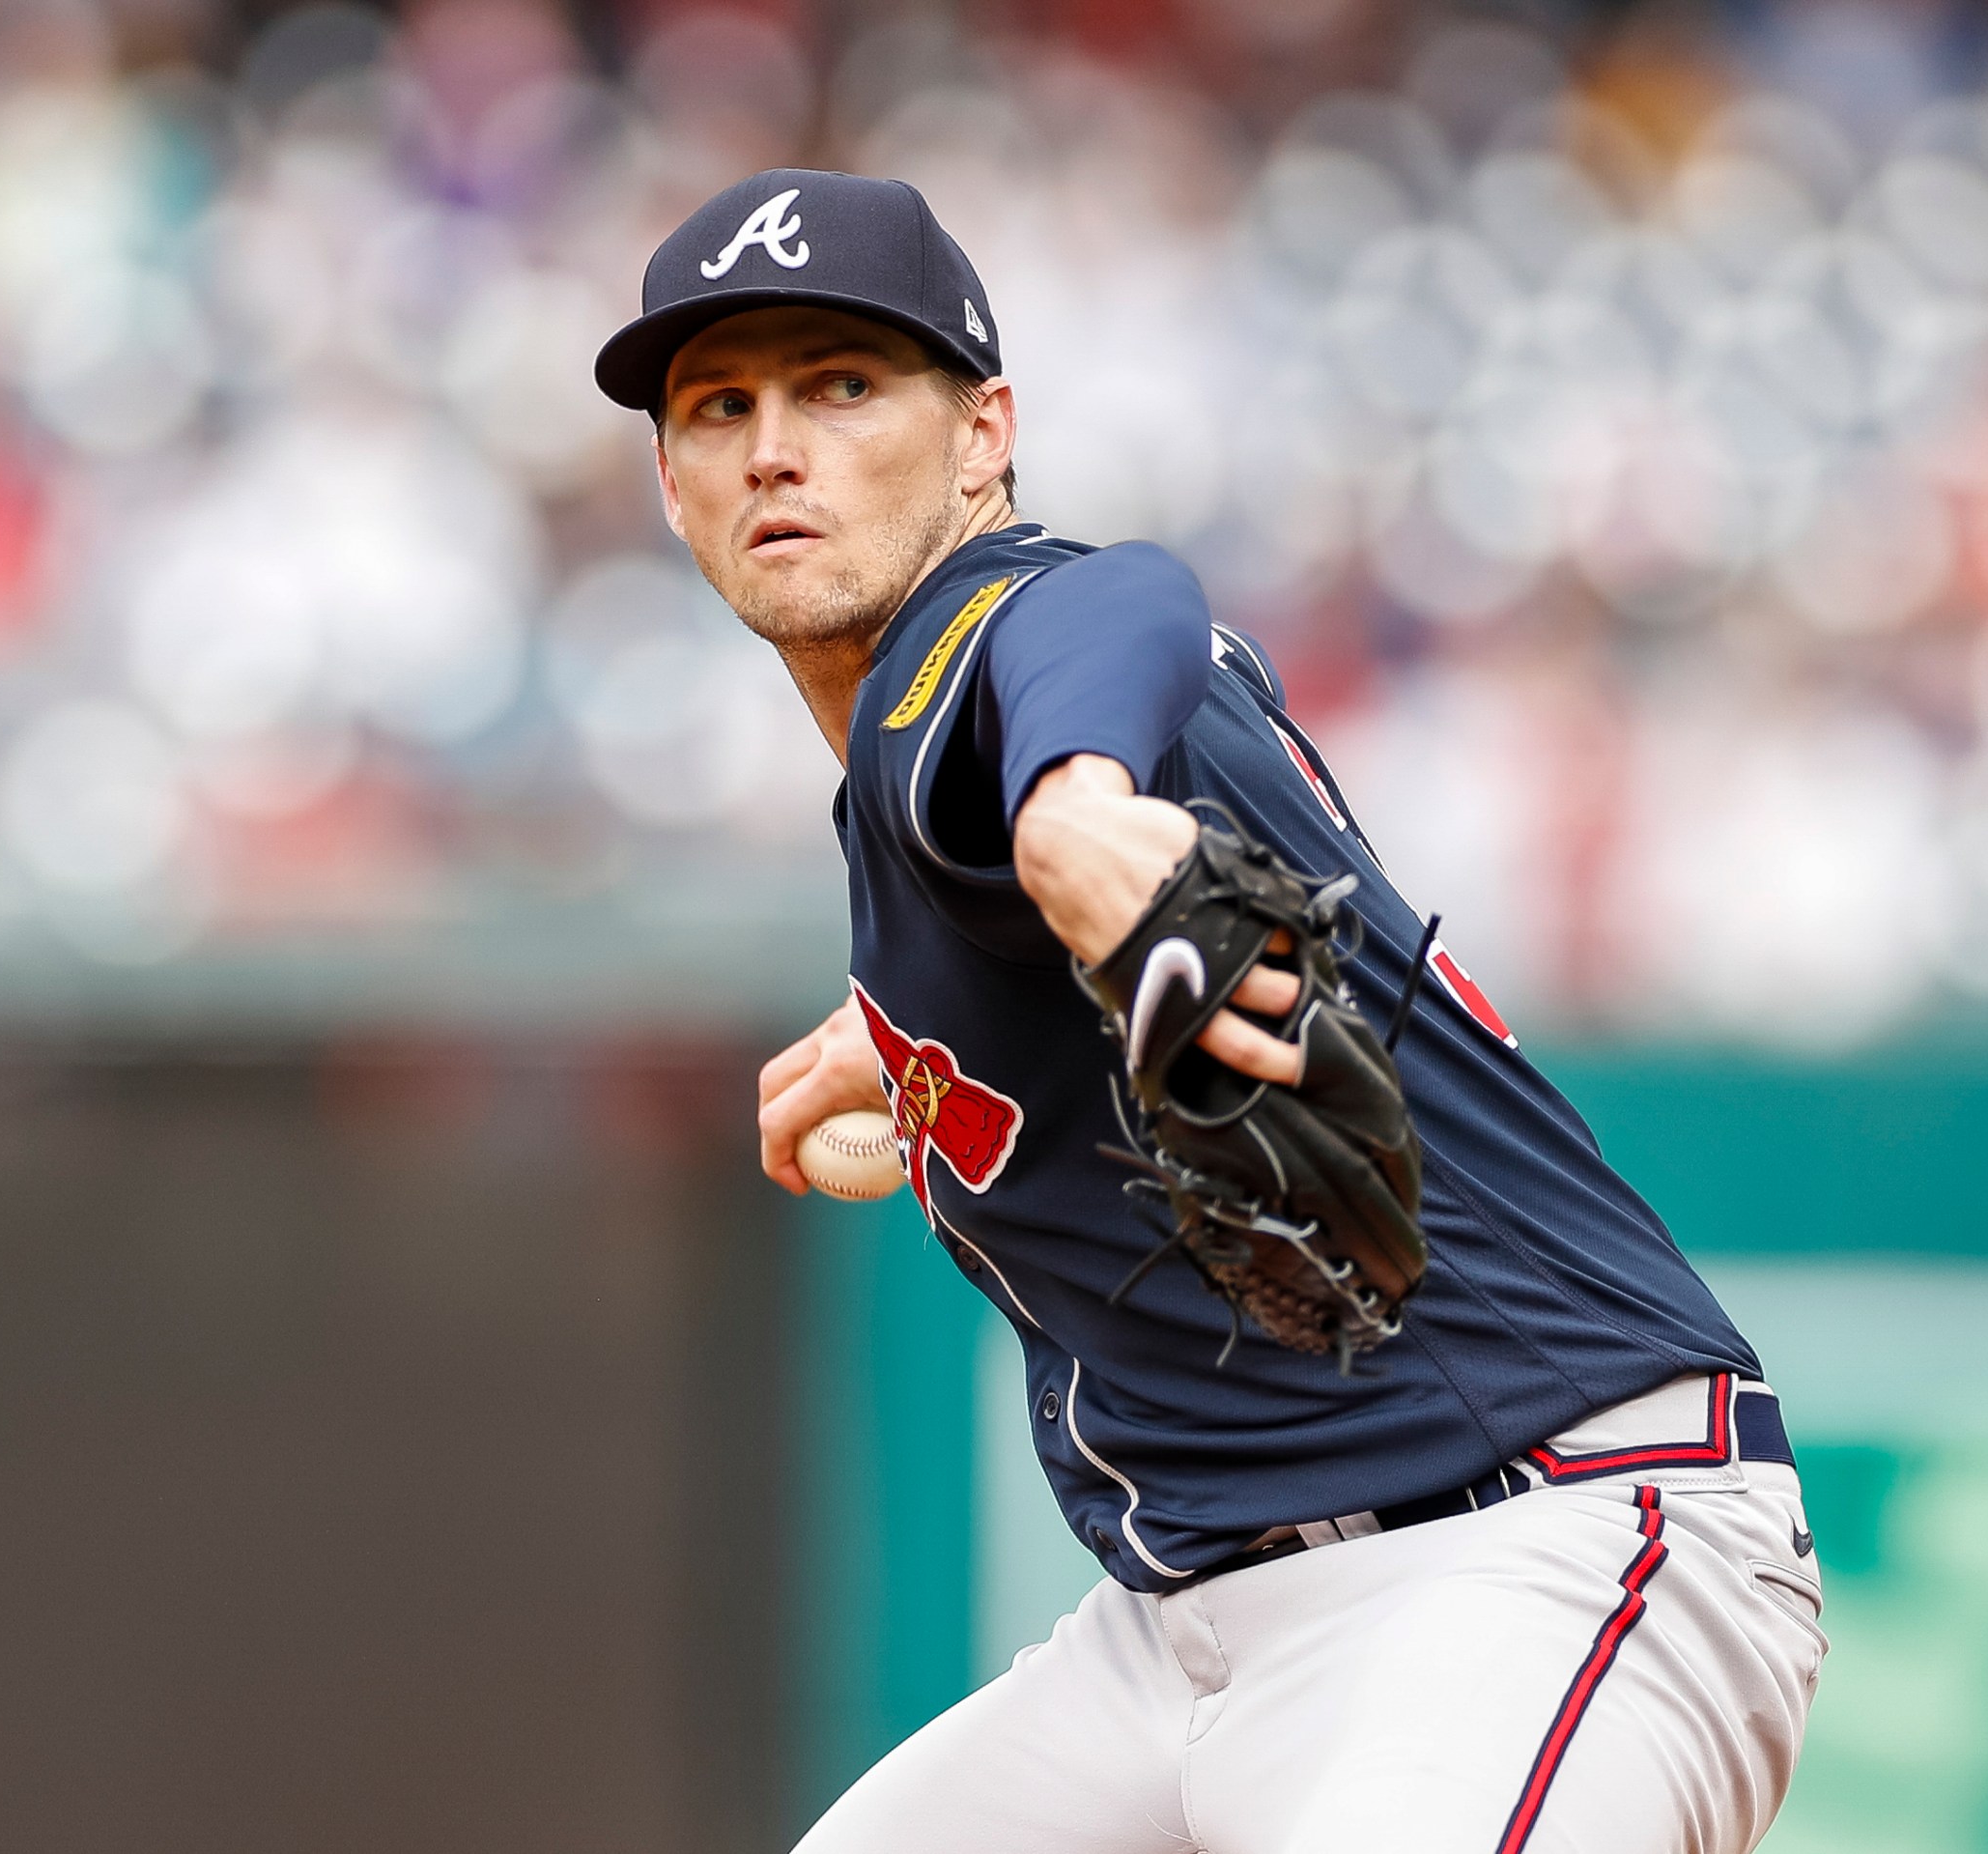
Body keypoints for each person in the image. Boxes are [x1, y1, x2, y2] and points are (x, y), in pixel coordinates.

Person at [594, 169, 1823, 1854]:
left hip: (1525, 1550)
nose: (774, 447)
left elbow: (1117, 601)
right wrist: (909, 1031)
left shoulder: (1004, 634)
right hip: (1189, 1640)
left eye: (844, 385)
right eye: (718, 408)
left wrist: (1076, 808)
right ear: (671, 485)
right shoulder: (926, 788)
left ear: (984, 436)